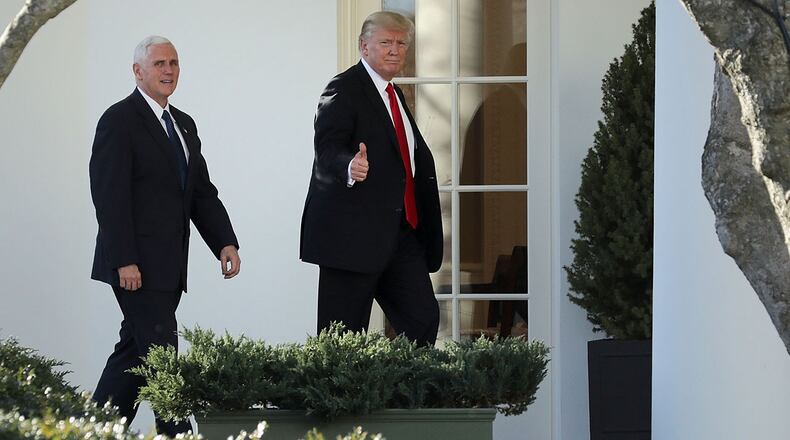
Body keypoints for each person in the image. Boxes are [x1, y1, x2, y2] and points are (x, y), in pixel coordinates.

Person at [89, 36, 240, 436]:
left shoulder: (184, 124)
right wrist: (124, 259)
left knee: (133, 355)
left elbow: (201, 192)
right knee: (161, 352)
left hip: (170, 266)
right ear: (138, 71)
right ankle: (176, 431)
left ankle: (94, 430)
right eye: (159, 64)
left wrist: (224, 241)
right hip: (135, 266)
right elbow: (109, 197)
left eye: (173, 63)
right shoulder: (118, 120)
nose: (168, 70)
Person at [300, 11, 443, 346]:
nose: (395, 50)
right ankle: (347, 384)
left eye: (401, 43)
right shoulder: (343, 88)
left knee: (422, 319)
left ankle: (397, 382)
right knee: (342, 341)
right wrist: (349, 165)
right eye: (386, 42)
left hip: (400, 235)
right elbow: (328, 146)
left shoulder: (394, 94)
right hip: (351, 238)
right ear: (364, 47)